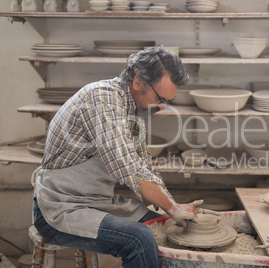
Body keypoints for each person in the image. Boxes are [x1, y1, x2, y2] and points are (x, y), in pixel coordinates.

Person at [32, 46, 218, 268]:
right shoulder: (102, 100)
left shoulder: (134, 111)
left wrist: (172, 208)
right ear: (138, 82)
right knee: (139, 238)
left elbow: (144, 168)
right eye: (160, 98)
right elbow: (127, 168)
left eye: (169, 100)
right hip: (60, 207)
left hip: (96, 201)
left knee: (162, 225)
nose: (163, 107)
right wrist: (174, 208)